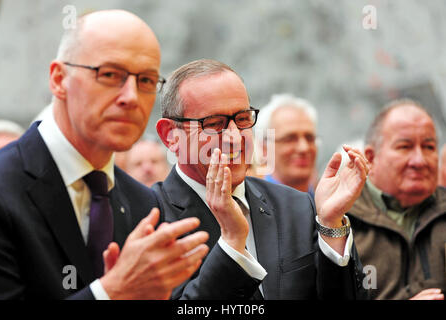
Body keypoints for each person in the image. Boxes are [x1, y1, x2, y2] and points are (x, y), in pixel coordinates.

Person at [0, 10, 209, 300]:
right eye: (109, 74)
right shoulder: (2, 187)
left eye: (146, 81)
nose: (131, 97)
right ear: (59, 79)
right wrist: (112, 292)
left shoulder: (143, 203)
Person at [153, 59, 370, 299]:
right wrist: (232, 244)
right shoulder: (150, 217)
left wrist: (330, 226)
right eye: (214, 124)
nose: (235, 138)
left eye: (243, 119)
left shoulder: (296, 206)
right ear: (170, 135)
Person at [348, 99, 445, 300]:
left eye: (429, 147)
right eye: (405, 147)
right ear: (370, 158)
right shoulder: (340, 224)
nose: (419, 160)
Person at [254, 94, 318, 197]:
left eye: (309, 138)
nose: (304, 148)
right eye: (289, 139)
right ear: (264, 148)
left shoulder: (332, 205)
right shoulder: (251, 208)